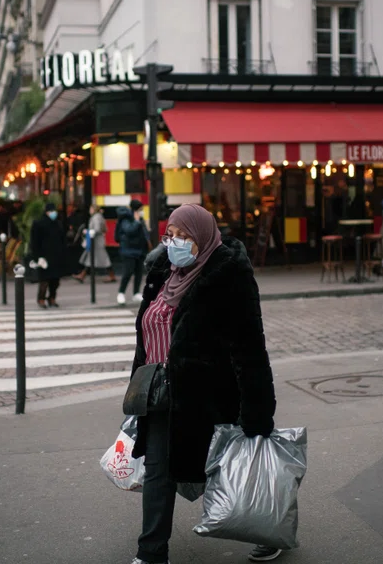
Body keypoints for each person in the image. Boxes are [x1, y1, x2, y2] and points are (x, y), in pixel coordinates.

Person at [127, 204, 280, 564]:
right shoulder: (164, 270)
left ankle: (270, 531)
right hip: (163, 392)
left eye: (184, 237)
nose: (174, 243)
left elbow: (249, 346)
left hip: (212, 394)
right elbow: (147, 335)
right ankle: (150, 553)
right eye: (171, 235)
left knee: (229, 469)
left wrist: (258, 411)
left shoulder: (228, 274)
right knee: (159, 472)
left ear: (203, 238)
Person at [30, 203, 67, 308]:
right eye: (51, 211)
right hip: (44, 256)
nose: (54, 213)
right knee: (44, 280)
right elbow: (35, 242)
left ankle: (52, 298)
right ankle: (41, 299)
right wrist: (37, 257)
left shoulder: (58, 224)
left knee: (55, 281)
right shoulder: (39, 224)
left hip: (56, 256)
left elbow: (62, 239)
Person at [116, 199, 150, 305]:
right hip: (128, 250)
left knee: (139, 272)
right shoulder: (126, 219)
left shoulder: (139, 218)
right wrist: (136, 221)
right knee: (128, 272)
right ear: (135, 210)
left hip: (139, 250)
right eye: (140, 209)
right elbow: (129, 230)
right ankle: (121, 293)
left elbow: (144, 232)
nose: (142, 211)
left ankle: (136, 293)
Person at [74, 204, 117, 283]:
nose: (90, 210)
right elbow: (104, 229)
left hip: (97, 242)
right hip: (97, 241)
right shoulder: (99, 216)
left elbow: (97, 229)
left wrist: (88, 231)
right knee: (91, 259)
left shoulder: (96, 217)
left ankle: (112, 276)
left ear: (94, 209)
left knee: (103, 259)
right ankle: (82, 275)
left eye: (91, 209)